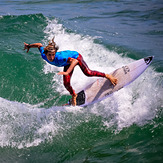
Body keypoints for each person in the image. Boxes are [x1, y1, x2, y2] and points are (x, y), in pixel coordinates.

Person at [24, 37, 117, 106]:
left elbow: (75, 61)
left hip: (75, 57)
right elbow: (39, 45)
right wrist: (29, 46)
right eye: (49, 55)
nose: (51, 57)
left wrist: (67, 72)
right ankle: (74, 96)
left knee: (88, 73)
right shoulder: (43, 55)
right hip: (67, 63)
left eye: (53, 55)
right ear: (46, 54)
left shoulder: (60, 57)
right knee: (66, 83)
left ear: (55, 53)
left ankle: (107, 75)